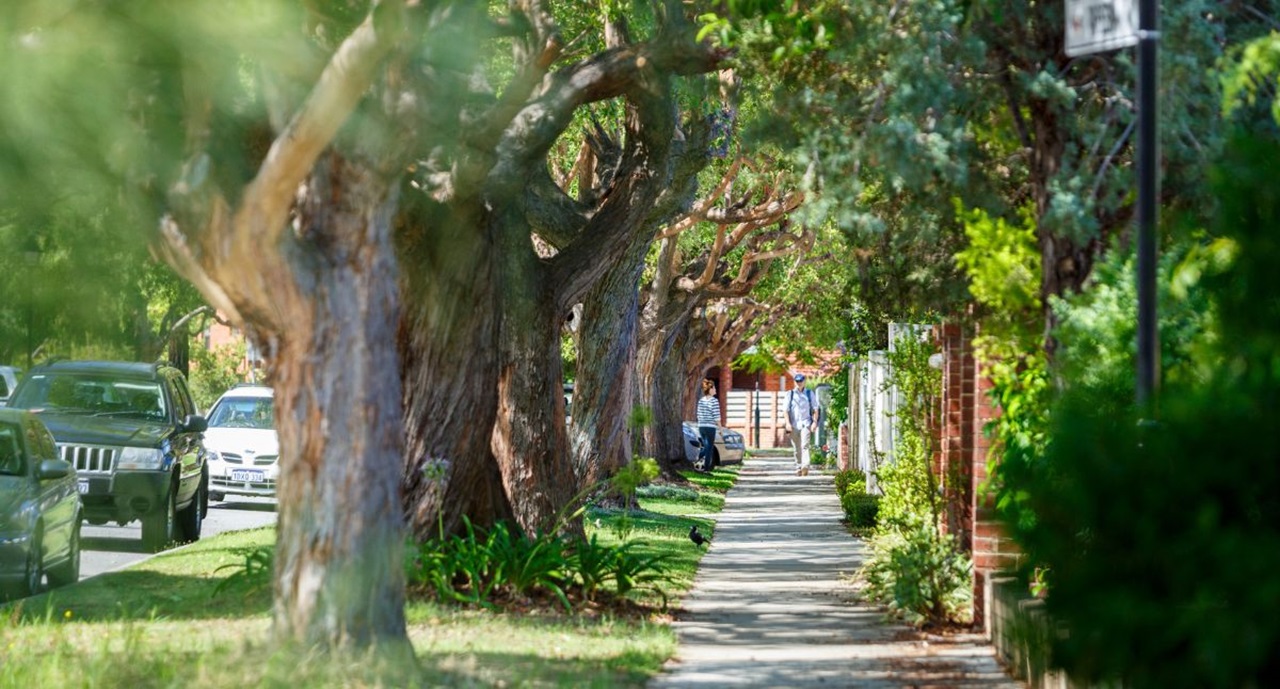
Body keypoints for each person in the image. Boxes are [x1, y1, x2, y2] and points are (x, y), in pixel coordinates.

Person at [784, 373, 818, 476]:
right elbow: (785, 410)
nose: (799, 383)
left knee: (805, 446)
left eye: (801, 381)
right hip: (794, 425)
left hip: (806, 423)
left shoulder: (809, 393)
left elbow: (815, 409)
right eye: (797, 381)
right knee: (797, 448)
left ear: (804, 381)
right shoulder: (789, 394)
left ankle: (805, 466)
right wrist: (788, 423)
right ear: (795, 382)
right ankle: (798, 466)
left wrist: (814, 422)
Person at [695, 378, 721, 472]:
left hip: (701, 426)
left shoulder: (701, 401)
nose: (716, 390)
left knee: (706, 446)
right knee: (709, 448)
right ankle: (706, 469)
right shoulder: (714, 401)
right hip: (710, 427)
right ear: (710, 390)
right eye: (714, 388)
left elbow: (698, 414)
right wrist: (720, 429)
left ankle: (698, 459)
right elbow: (717, 416)